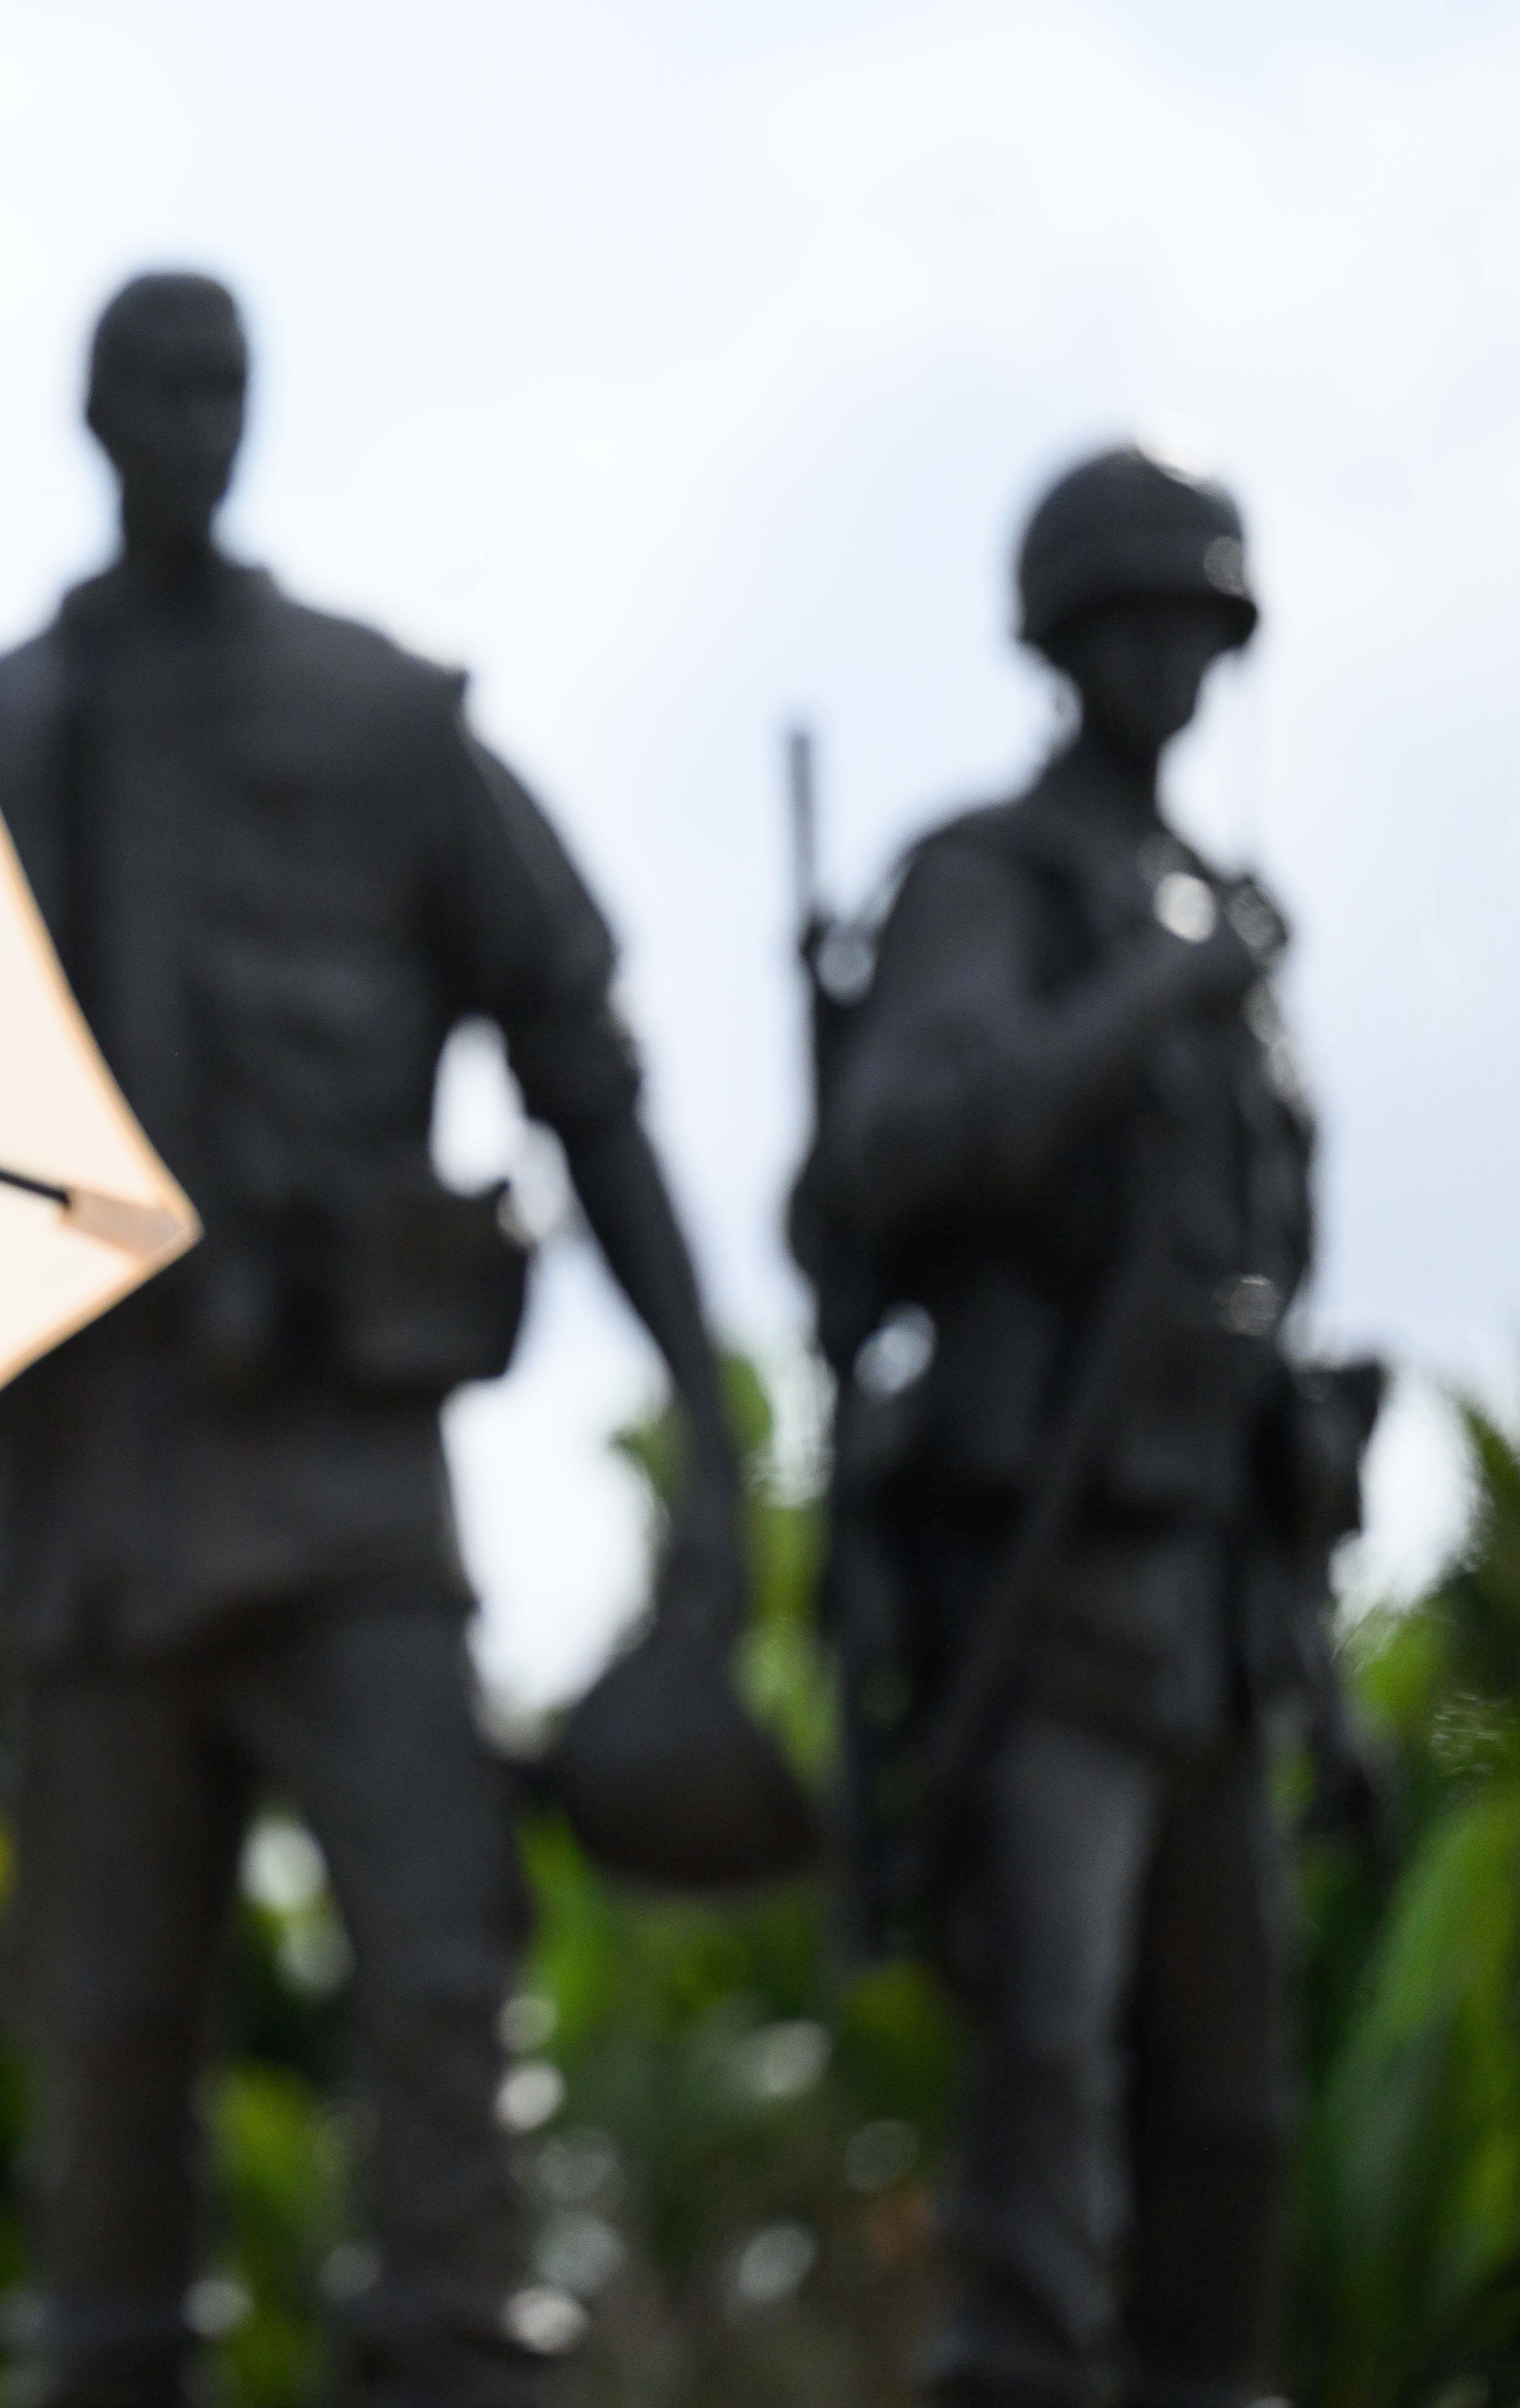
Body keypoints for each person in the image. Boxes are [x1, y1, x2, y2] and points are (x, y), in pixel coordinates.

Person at [0, 272, 748, 2408]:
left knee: (436, 1960)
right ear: (93, 417)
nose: (190, 425)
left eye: (222, 388)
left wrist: (706, 1418)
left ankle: (449, 2357)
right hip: (96, 1492)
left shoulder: (384, 723)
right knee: (106, 2028)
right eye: (155, 390)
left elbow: (585, 1071)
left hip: (338, 1477)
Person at [802, 447, 1373, 2408]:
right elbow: (902, 1146)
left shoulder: (1220, 915)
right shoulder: (993, 882)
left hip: (1221, 1582)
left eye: (1184, 625)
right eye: (1122, 624)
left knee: (1228, 2096)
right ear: (1059, 644)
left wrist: (1322, 1660)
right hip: (1044, 1573)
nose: (1160, 661)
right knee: (1042, 2056)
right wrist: (1149, 996)